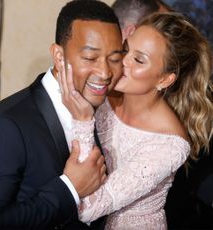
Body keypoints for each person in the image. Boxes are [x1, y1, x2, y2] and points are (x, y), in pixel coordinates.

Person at [59, 12, 213, 229]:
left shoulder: (170, 145)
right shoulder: (104, 95)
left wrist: (84, 120)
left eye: (139, 59)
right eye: (125, 49)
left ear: (164, 79)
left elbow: (88, 209)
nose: (123, 62)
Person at [0, 1, 124, 229]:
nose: (105, 72)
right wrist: (69, 189)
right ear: (59, 57)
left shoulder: (104, 113)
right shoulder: (6, 125)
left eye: (115, 59)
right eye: (90, 58)